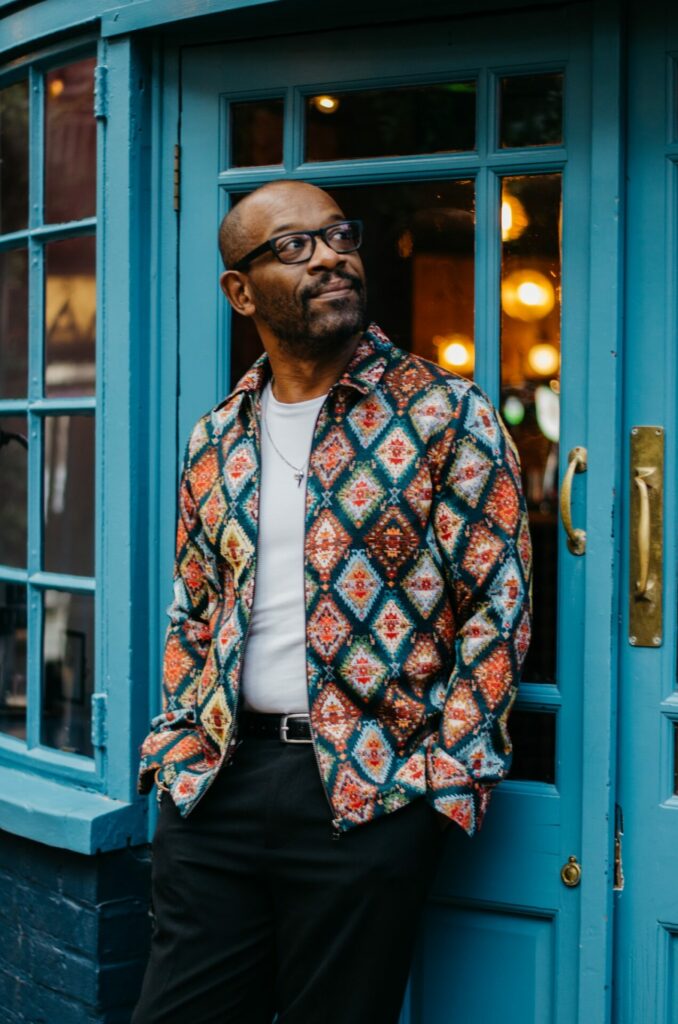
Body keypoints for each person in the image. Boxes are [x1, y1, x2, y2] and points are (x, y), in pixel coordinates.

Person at [132, 180, 532, 1024]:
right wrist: (175, 741)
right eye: (294, 247)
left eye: (339, 236)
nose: (330, 257)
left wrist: (441, 785)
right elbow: (195, 608)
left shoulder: (444, 415)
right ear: (240, 291)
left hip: (368, 792)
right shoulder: (218, 437)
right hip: (217, 784)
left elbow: (496, 608)